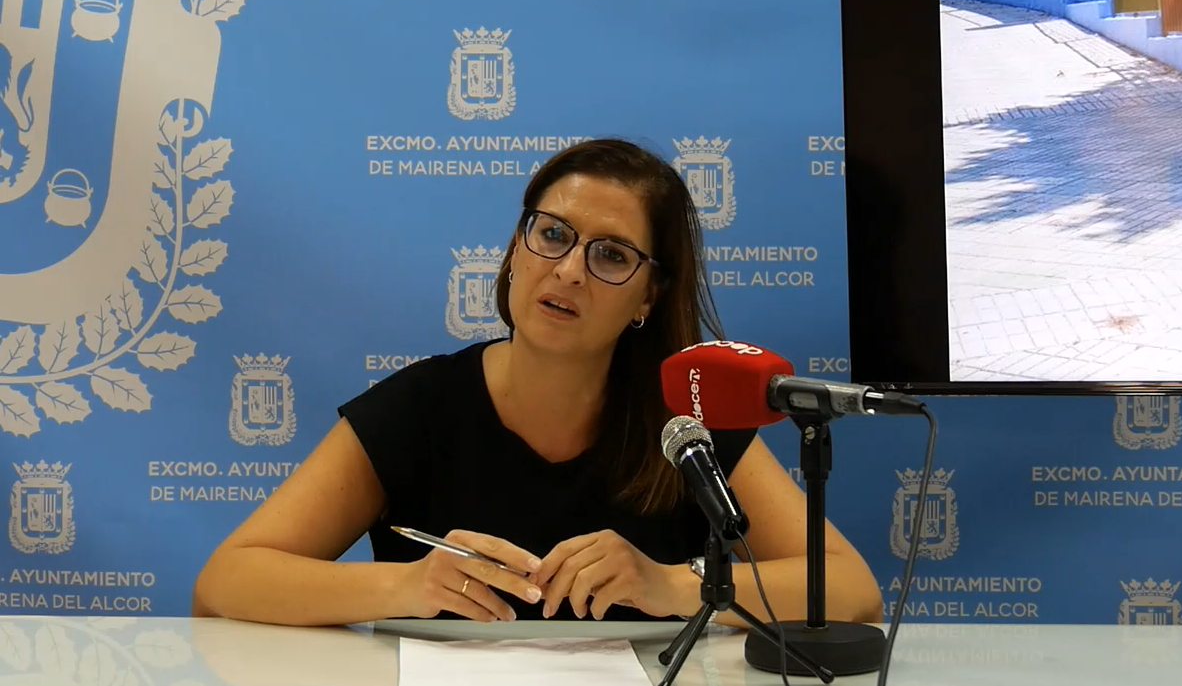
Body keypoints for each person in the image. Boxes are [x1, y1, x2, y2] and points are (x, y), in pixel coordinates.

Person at [192, 138, 883, 627]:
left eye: (610, 254)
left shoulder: (682, 414)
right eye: (552, 234)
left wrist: (675, 586)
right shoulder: (422, 404)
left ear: (648, 296)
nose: (569, 270)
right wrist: (405, 584)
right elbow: (225, 581)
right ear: (515, 252)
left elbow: (852, 589)